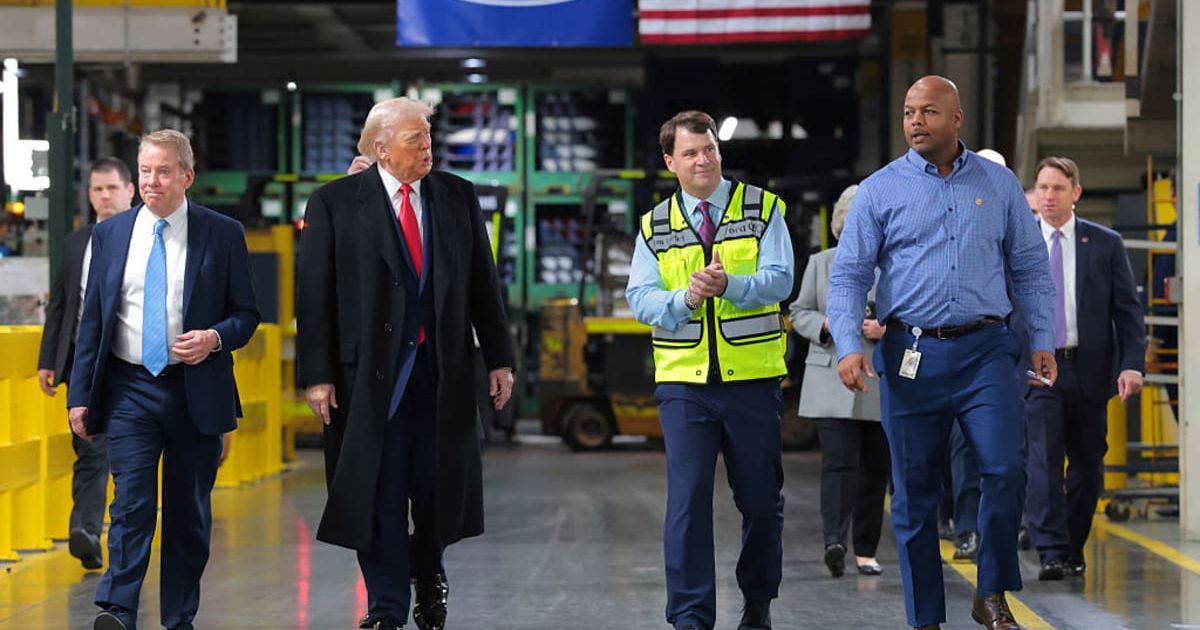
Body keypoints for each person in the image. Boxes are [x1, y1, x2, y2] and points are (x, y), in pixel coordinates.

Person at [827, 76, 1057, 630]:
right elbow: (850, 275)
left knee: (1004, 469)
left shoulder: (999, 184)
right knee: (914, 495)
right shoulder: (879, 190)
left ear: (957, 119)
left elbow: (1029, 267)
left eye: (928, 111)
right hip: (911, 355)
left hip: (986, 352)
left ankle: (992, 591)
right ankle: (925, 618)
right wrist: (848, 345)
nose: (915, 121)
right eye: (908, 111)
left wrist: (1045, 337)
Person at [297, 97, 516, 630]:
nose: (428, 146)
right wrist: (317, 374)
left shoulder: (457, 197)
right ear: (380, 149)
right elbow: (314, 295)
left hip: (441, 374)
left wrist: (499, 359)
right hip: (367, 380)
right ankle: (387, 607)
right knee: (379, 493)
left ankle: (428, 572)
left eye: (429, 136)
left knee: (437, 488)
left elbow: (483, 284)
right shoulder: (334, 203)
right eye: (415, 138)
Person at [67, 129, 260, 630]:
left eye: (163, 171)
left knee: (187, 512)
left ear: (187, 177)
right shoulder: (109, 236)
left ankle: (179, 618)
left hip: (194, 389)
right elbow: (93, 322)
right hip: (129, 387)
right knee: (131, 500)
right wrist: (80, 397)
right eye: (145, 171)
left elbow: (246, 313)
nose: (152, 181)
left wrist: (215, 338)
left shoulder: (222, 233)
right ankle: (118, 609)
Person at [626, 110, 793, 630]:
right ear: (670, 161)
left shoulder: (762, 209)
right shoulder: (654, 225)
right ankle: (691, 617)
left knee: (762, 503)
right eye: (691, 152)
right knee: (687, 503)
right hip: (685, 384)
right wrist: (685, 298)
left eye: (710, 149)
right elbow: (641, 298)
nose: (703, 159)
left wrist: (731, 287)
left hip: (751, 380)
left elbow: (781, 278)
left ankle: (759, 599)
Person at [1024, 156, 1145, 580]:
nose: (1048, 196)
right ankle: (1051, 550)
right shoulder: (1019, 243)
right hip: (1039, 369)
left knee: (1088, 466)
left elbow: (1128, 311)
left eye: (1057, 188)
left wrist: (1131, 365)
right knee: (1042, 461)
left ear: (1075, 193)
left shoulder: (1105, 242)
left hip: (1090, 369)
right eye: (1042, 187)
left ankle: (1073, 545)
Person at [37, 157, 135, 571]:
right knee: (91, 447)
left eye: (111, 188)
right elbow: (61, 304)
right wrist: (48, 361)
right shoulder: (78, 242)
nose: (104, 197)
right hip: (83, 361)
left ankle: (123, 535)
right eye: (97, 190)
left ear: (129, 190)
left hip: (131, 361)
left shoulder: (145, 237)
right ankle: (88, 532)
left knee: (130, 454)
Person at [789, 184, 890, 579]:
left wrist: (885, 327)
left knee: (875, 469)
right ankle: (834, 541)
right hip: (831, 376)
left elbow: (915, 312)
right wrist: (827, 324)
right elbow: (798, 312)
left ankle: (866, 550)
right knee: (838, 463)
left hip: (880, 378)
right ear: (841, 225)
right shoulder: (821, 263)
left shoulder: (895, 265)